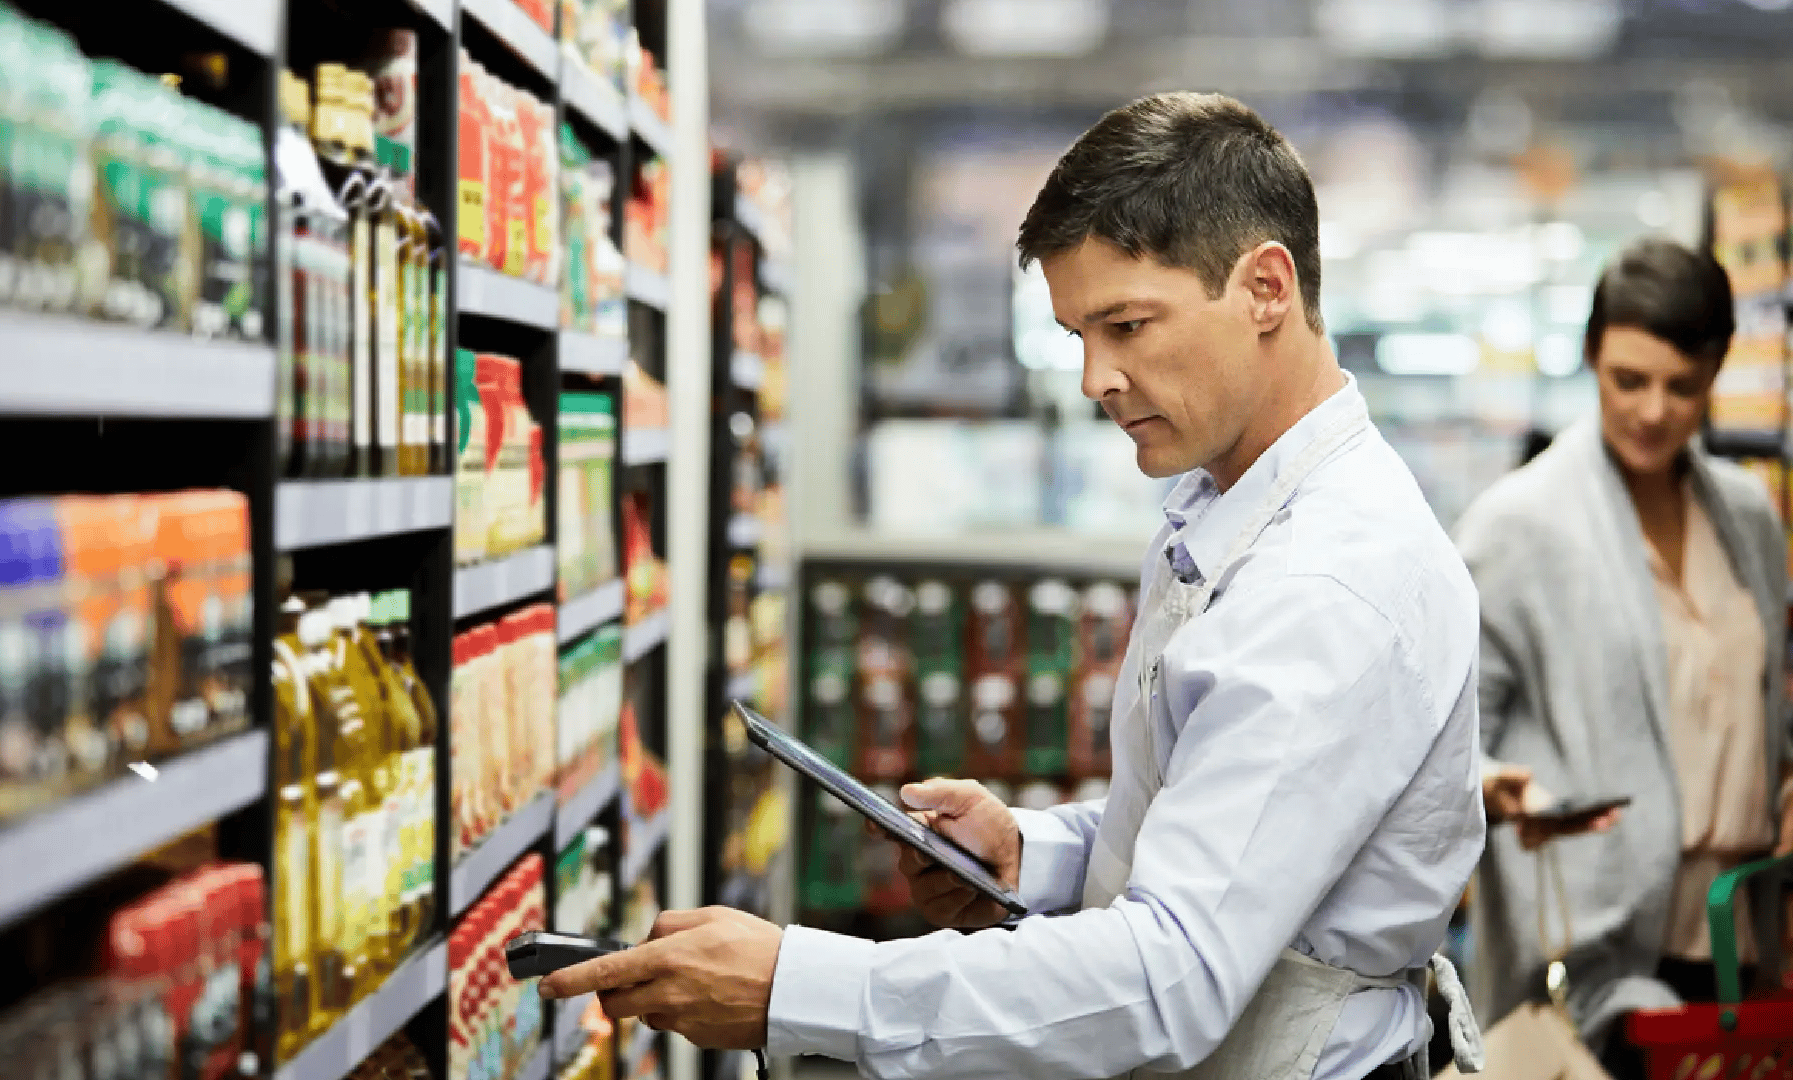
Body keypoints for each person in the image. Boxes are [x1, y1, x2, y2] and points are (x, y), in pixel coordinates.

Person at [540, 92, 1489, 1080]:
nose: (1094, 379)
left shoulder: (1325, 579)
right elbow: (1230, 834)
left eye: (1127, 325)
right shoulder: (1233, 509)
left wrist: (798, 986)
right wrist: (1035, 855)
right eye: (1079, 335)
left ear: (1264, 288)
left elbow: (1170, 975)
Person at [1454, 237, 1793, 1080]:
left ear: (1716, 373)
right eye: (1628, 380)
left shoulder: (1748, 517)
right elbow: (1447, 737)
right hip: (1589, 964)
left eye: (1683, 386)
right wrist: (1502, 787)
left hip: (1741, 945)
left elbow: (1759, 713)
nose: (1653, 410)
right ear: (1591, 359)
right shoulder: (1520, 525)